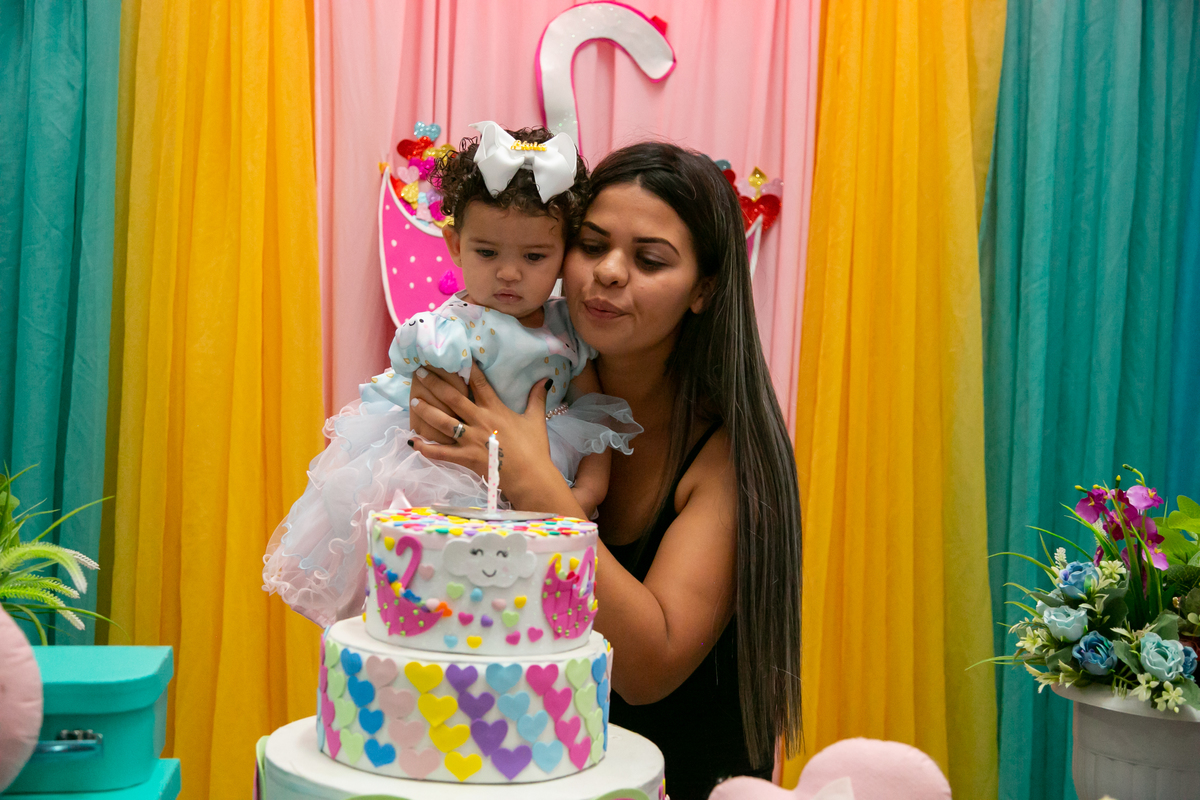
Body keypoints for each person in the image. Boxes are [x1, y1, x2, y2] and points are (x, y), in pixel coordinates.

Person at [406, 142, 803, 799]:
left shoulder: (727, 453)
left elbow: (650, 667)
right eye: (591, 246)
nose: (610, 273)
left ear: (705, 288)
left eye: (649, 260)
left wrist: (539, 487)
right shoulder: (515, 380)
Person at [262, 121, 641, 628]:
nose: (509, 273)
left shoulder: (569, 330)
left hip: (549, 495)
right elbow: (429, 426)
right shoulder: (447, 332)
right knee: (453, 601)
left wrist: (582, 497)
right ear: (456, 245)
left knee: (523, 619)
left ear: (564, 255)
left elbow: (596, 419)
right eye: (488, 253)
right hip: (453, 481)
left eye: (534, 256)